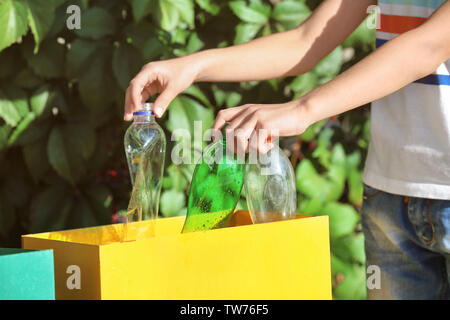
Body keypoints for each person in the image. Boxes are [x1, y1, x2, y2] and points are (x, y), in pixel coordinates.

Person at [123, 0, 450, 299]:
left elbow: (428, 45)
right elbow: (307, 39)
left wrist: (303, 109)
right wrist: (192, 66)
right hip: (389, 194)